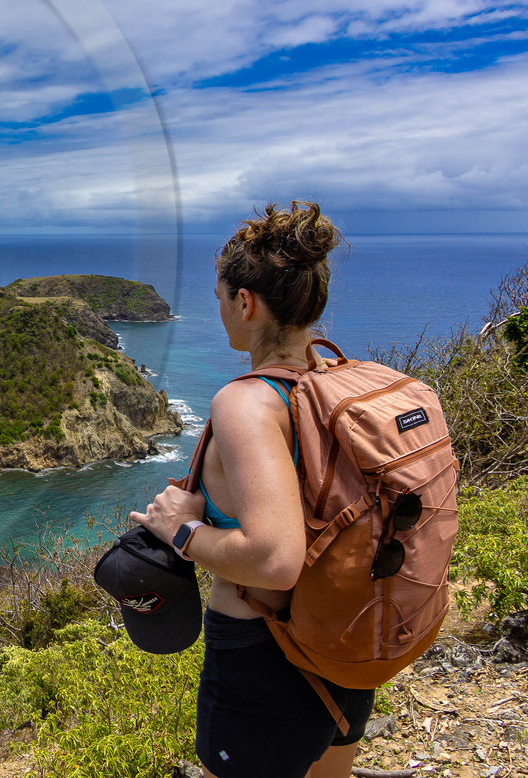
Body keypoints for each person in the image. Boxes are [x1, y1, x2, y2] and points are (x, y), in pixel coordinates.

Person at [129, 200, 370, 778]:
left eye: (219, 298)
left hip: (264, 652)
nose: (219, 311)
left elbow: (275, 560)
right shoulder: (341, 384)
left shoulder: (246, 403)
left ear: (245, 302)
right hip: (345, 632)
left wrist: (181, 530)